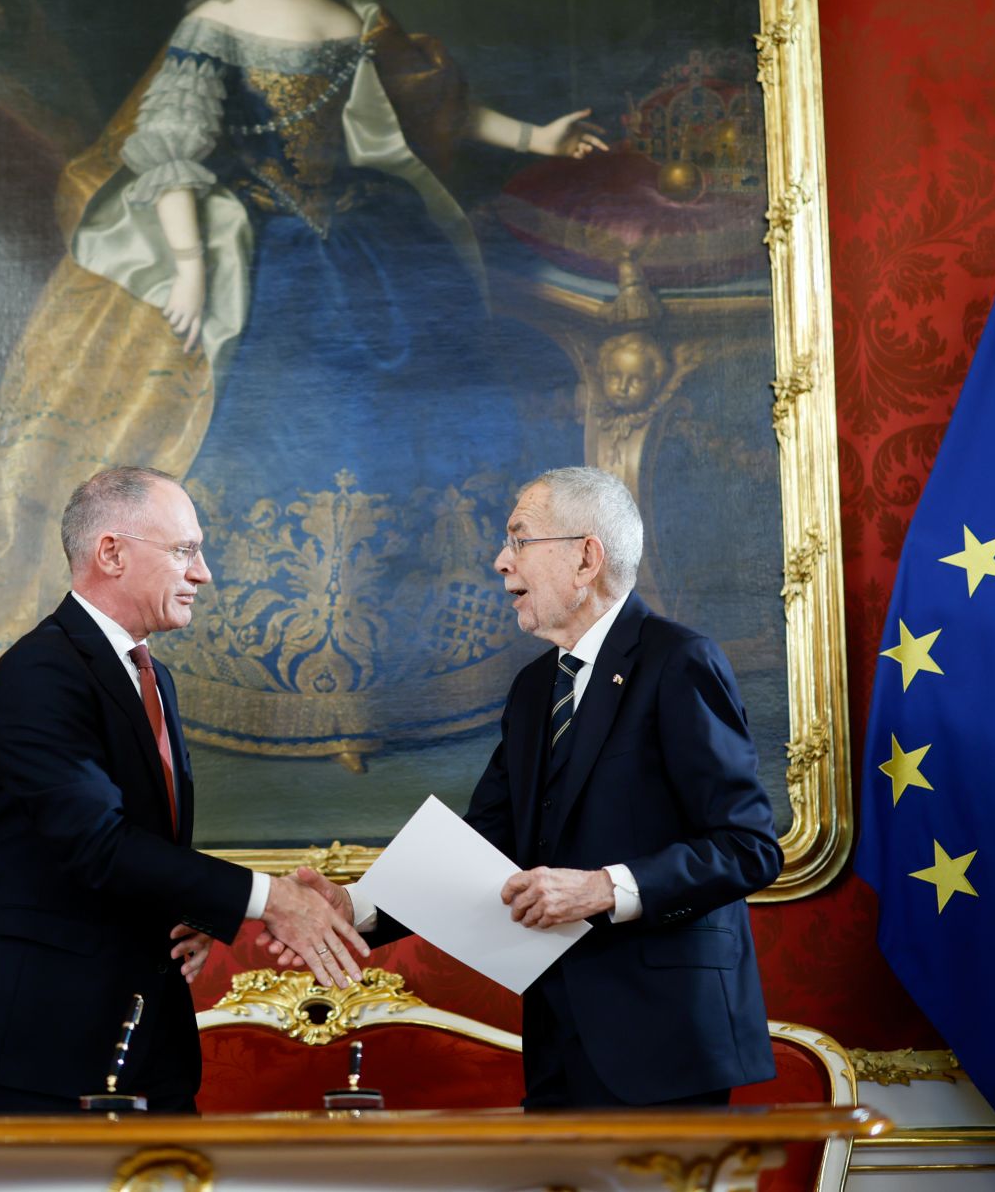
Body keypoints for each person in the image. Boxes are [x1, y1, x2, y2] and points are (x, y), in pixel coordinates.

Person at [0, 0, 602, 790]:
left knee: (437, 400)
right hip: (259, 248)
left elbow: (432, 111)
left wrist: (535, 137)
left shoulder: (354, 11)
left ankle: (420, 671)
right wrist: (196, 273)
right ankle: (247, 675)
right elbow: (165, 153)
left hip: (371, 236)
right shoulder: (213, 24)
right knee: (280, 407)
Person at [270, 465, 782, 1108]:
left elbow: (749, 847)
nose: (499, 561)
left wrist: (603, 888)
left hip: (666, 1041)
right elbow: (484, 843)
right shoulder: (536, 687)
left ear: (585, 558)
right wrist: (356, 909)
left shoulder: (679, 662)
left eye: (519, 540)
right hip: (558, 1037)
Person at [0, 466, 369, 1114]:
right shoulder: (40, 672)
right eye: (184, 551)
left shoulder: (151, 677)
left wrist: (193, 912)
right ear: (111, 554)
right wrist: (272, 901)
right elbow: (98, 843)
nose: (203, 572)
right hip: (35, 1041)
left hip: (137, 1035)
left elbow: (138, 845)